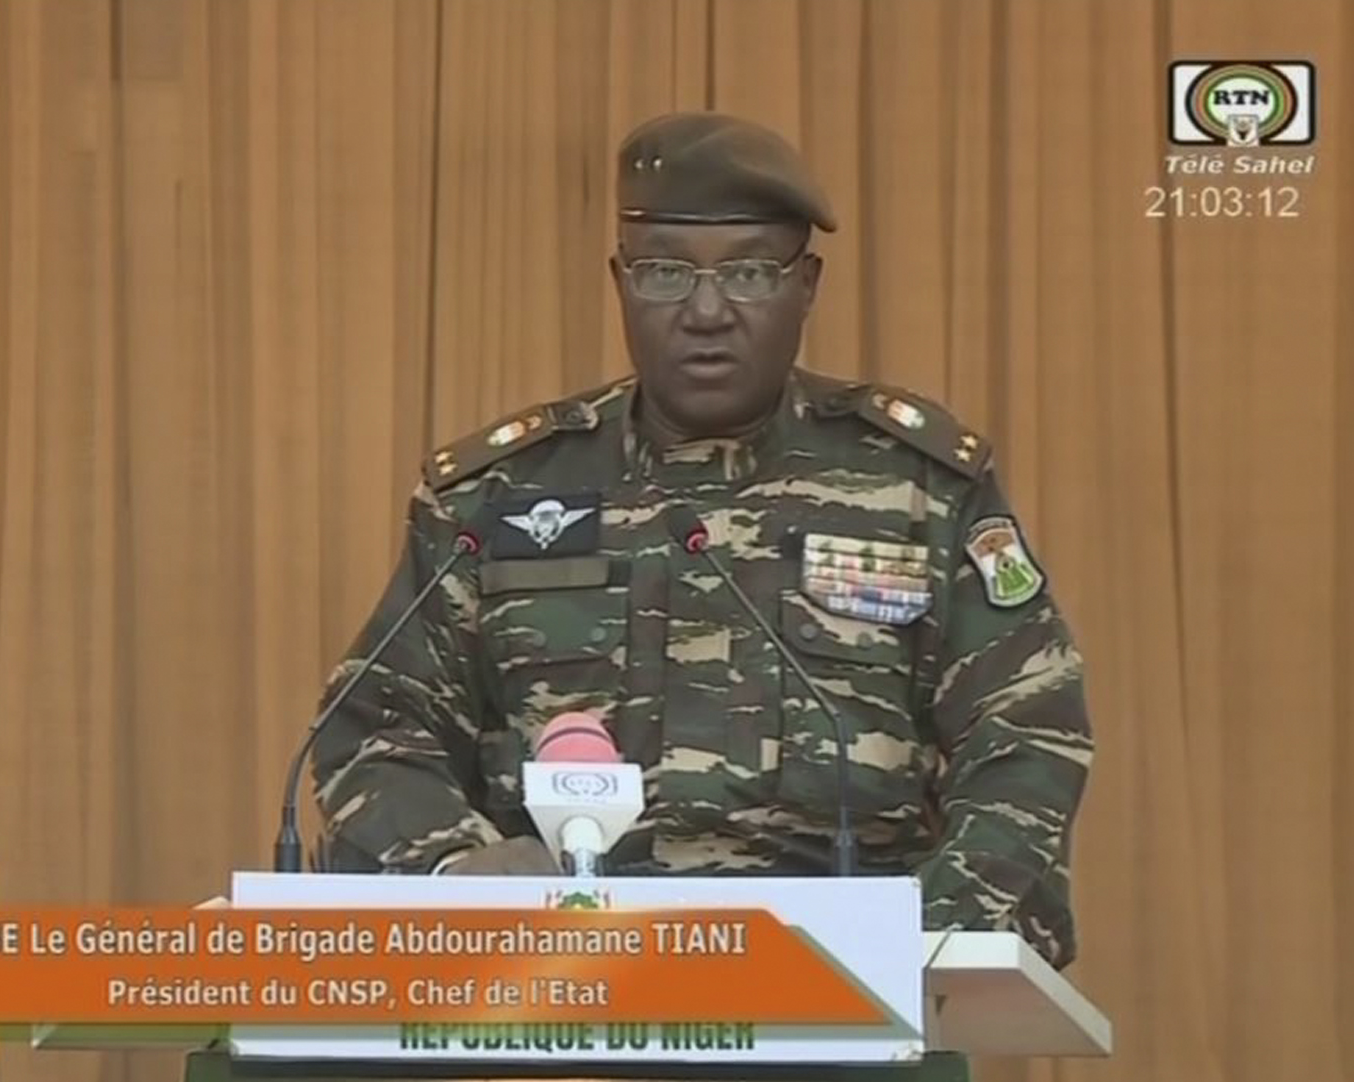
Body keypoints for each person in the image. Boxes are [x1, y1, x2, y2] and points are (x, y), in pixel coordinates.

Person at [308, 111, 1094, 968]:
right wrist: (459, 864)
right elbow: (377, 725)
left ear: (807, 285)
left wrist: (928, 933)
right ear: (620, 282)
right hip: (559, 969)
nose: (708, 311)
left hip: (854, 967)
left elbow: (1028, 727)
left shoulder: (919, 488)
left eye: (750, 272)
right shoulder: (498, 495)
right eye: (665, 272)